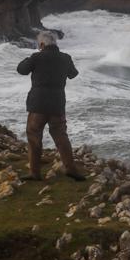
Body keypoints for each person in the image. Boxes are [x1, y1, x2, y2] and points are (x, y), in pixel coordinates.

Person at [16, 31, 85, 181]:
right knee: (61, 136)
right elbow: (73, 74)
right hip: (57, 103)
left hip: (38, 104)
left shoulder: (37, 57)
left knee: (34, 136)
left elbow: (21, 69)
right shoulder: (65, 58)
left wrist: (32, 57)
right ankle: (71, 169)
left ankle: (35, 173)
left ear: (41, 44)